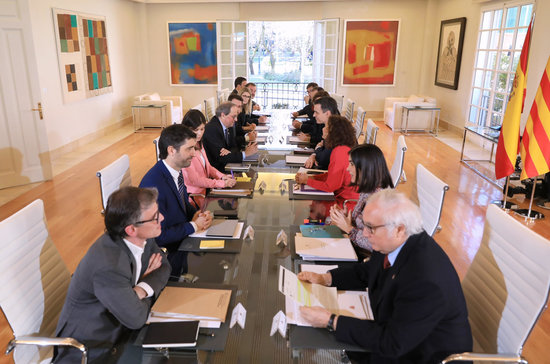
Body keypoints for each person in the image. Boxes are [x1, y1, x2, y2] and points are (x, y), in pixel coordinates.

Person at [298, 189, 472, 363]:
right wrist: (326, 278)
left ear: (399, 229)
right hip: (400, 335)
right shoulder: (398, 241)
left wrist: (331, 321)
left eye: (371, 228)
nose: (365, 233)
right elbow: (367, 271)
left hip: (423, 355)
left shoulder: (426, 280)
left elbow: (392, 342)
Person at [54, 186, 171, 363]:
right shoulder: (108, 265)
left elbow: (164, 267)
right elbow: (136, 318)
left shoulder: (143, 235)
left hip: (122, 328)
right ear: (131, 230)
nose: (161, 218)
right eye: (155, 217)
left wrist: (139, 290)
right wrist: (142, 290)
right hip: (95, 346)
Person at [139, 124, 213, 277]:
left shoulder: (176, 172)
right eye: (189, 149)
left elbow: (184, 204)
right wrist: (193, 225)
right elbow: (158, 236)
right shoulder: (153, 185)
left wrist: (199, 214)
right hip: (169, 255)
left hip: (184, 240)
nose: (194, 154)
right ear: (171, 150)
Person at [330, 144, 394, 259]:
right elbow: (363, 224)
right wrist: (345, 218)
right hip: (355, 248)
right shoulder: (368, 189)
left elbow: (376, 245)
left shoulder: (379, 202)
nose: (347, 168)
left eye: (351, 164)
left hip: (366, 260)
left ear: (365, 168)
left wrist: (349, 229)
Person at [295, 115, 358, 206]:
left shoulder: (339, 152)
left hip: (345, 203)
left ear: (332, 132)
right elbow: (332, 176)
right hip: (341, 197)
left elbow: (330, 187)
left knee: (305, 208)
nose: (323, 129)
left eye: (325, 127)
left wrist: (307, 181)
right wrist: (312, 177)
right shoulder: (342, 149)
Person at [181, 109, 236, 205]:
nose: (199, 133)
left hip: (207, 191)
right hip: (195, 198)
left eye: (202, 129)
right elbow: (195, 180)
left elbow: (208, 167)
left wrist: (222, 177)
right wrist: (222, 183)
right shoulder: (185, 150)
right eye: (195, 130)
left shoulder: (199, 144)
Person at [203, 102, 258, 172]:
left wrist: (229, 152)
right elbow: (221, 158)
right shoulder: (212, 129)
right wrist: (245, 154)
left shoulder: (226, 125)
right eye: (233, 116)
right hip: (217, 171)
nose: (236, 120)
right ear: (223, 115)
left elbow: (233, 146)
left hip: (226, 166)